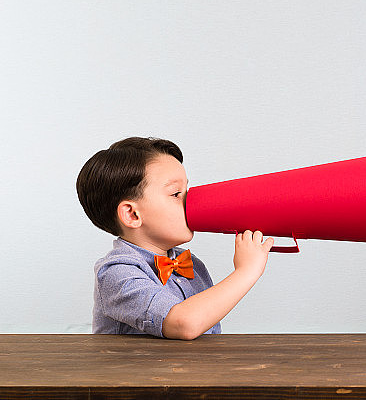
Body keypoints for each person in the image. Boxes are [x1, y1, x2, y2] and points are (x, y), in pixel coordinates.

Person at [77, 137, 273, 339]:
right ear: (132, 214)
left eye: (187, 190)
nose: (191, 201)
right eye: (176, 194)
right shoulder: (116, 273)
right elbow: (184, 324)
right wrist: (246, 271)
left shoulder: (192, 265)